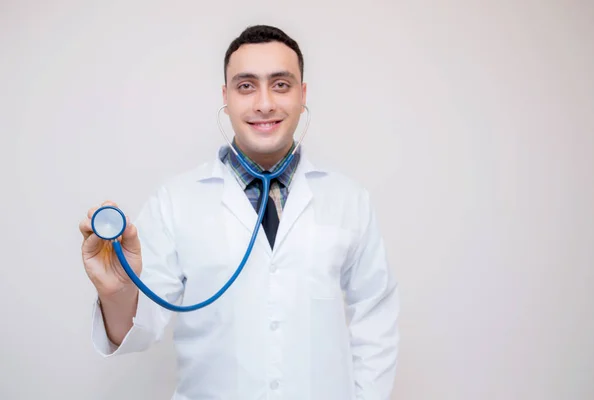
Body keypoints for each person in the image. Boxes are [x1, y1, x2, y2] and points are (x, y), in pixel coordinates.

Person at [79, 24, 400, 400]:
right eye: (246, 86)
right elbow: (140, 328)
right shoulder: (175, 201)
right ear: (226, 97)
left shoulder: (349, 199)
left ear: (303, 94)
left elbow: (375, 318)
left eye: (281, 84)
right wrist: (117, 293)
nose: (264, 103)